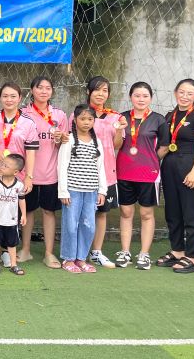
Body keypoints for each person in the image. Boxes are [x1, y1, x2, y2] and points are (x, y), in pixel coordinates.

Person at [113, 82, 169, 270]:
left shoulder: (158, 120)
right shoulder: (121, 117)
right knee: (126, 212)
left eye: (145, 96)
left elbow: (164, 146)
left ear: (150, 98)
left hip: (148, 174)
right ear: (131, 97)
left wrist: (151, 160)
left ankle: (144, 254)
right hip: (124, 172)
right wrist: (120, 129)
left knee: (146, 213)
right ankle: (125, 251)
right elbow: (117, 144)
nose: (141, 99)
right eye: (137, 95)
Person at [156, 78, 194, 273]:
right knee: (173, 212)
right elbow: (164, 145)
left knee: (191, 214)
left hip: (189, 166)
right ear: (175, 93)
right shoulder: (169, 115)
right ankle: (177, 251)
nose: (185, 96)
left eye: (190, 93)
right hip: (170, 166)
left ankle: (192, 257)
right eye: (181, 92)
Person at [0, 82, 38, 266]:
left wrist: (28, 176)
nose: (9, 99)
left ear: (20, 98)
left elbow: (30, 151)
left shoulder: (28, 123)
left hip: (16, 178)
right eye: (5, 96)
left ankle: (8, 250)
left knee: (11, 213)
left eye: (13, 96)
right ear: (0, 98)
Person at [20, 76, 68, 268]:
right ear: (32, 90)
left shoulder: (59, 115)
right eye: (39, 88)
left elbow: (64, 142)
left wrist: (61, 137)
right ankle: (25, 250)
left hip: (50, 173)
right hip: (28, 173)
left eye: (48, 88)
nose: (44, 91)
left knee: (49, 212)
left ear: (52, 91)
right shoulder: (23, 113)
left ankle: (49, 253)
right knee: (28, 211)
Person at [58, 104, 108, 273]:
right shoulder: (69, 140)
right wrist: (63, 191)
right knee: (71, 225)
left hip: (91, 192)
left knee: (89, 226)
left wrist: (102, 191)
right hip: (72, 190)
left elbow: (100, 167)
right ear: (75, 120)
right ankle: (68, 258)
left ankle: (81, 259)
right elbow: (62, 166)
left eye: (90, 119)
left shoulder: (97, 142)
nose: (86, 122)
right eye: (82, 119)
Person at [84, 76, 127, 269]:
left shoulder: (115, 117)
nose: (101, 94)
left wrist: (119, 130)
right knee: (81, 213)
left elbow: (118, 145)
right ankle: (79, 251)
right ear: (88, 92)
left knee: (101, 214)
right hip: (82, 172)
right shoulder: (80, 113)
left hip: (107, 173)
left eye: (105, 90)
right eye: (97, 90)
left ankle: (97, 251)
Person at [0, 153, 27, 276]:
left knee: (11, 244)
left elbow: (22, 199)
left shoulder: (19, 185)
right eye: (1, 164)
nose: (1, 167)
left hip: (11, 221)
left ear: (15, 172)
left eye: (6, 166)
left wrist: (23, 215)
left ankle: (14, 264)